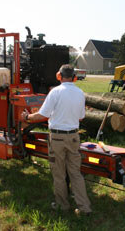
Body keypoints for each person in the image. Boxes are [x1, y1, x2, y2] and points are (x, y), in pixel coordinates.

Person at [21, 64, 92, 215]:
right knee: (75, 173)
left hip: (58, 138)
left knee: (59, 174)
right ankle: (84, 207)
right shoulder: (80, 93)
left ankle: (62, 205)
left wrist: (27, 117)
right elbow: (81, 117)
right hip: (74, 136)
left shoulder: (55, 92)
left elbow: (42, 115)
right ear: (74, 77)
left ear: (59, 76)